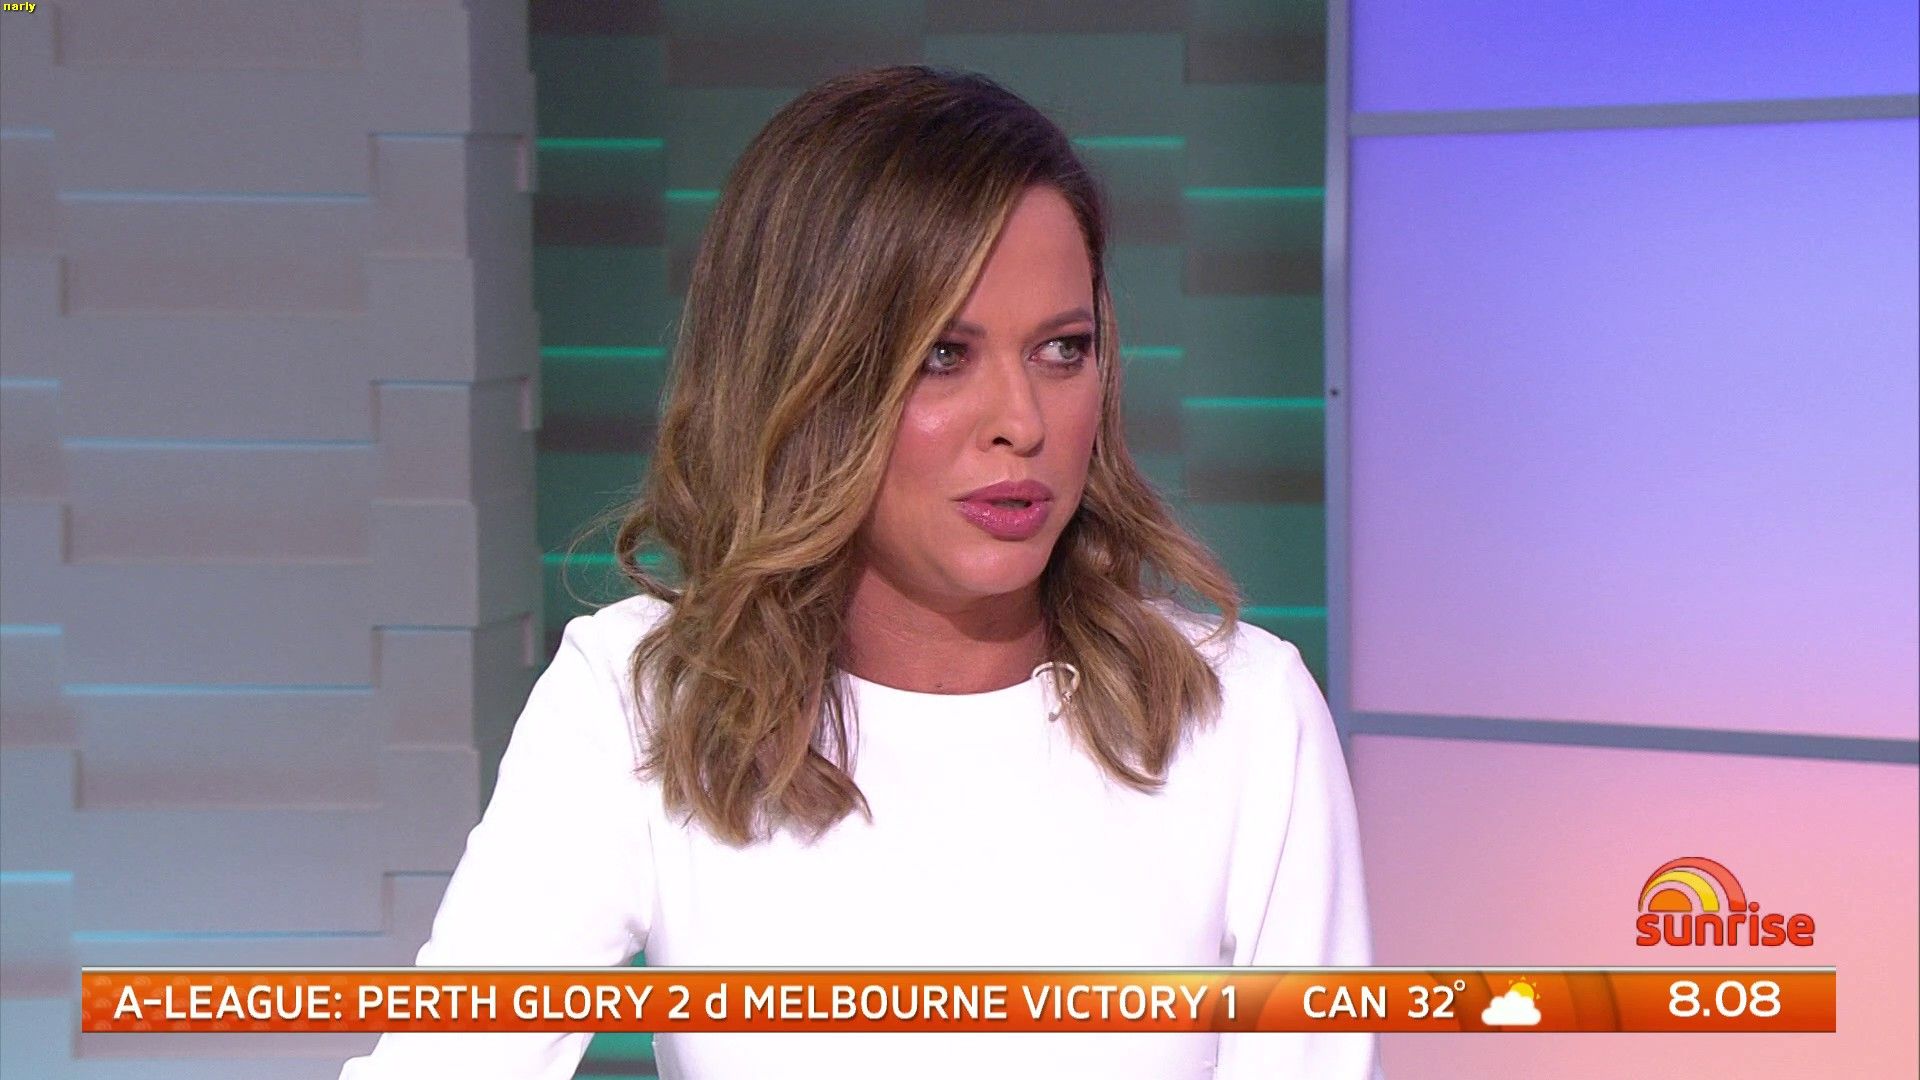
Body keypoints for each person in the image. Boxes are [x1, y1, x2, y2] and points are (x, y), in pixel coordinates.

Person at [340, 65, 1380, 1079]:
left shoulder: (1244, 714)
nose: (1021, 422)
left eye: (1062, 350)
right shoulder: (642, 698)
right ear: (806, 375)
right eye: (943, 355)